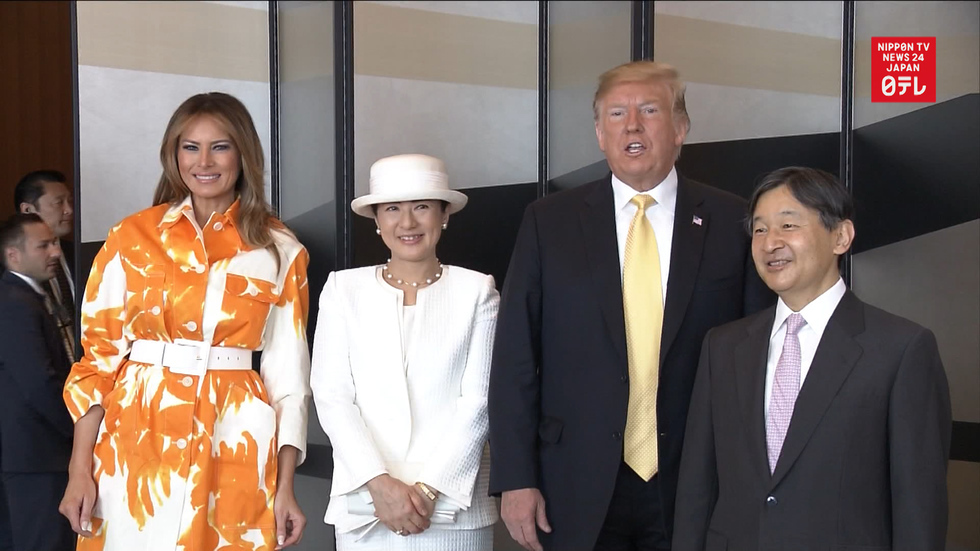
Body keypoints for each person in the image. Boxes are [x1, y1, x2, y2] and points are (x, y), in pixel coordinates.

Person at [488, 60, 774, 551]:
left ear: (681, 128)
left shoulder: (734, 221)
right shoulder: (548, 223)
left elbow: (758, 359)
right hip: (572, 481)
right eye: (617, 114)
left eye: (649, 110)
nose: (633, 126)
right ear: (600, 134)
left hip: (697, 480)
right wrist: (516, 478)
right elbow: (515, 355)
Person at [57, 92, 311, 550]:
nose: (204, 161)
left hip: (231, 438)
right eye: (190, 147)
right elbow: (97, 363)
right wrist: (79, 471)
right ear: (173, 156)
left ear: (243, 154)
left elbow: (289, 380)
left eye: (220, 147)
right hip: (135, 440)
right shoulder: (130, 237)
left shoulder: (280, 250)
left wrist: (286, 487)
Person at [672, 167, 951, 551]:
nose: (770, 243)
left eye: (788, 225)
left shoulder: (901, 350)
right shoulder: (722, 347)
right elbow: (696, 491)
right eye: (759, 229)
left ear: (841, 236)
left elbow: (918, 510)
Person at [311, 154, 500, 550]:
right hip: (365, 508)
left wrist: (428, 491)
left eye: (422, 207)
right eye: (393, 209)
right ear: (377, 220)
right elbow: (332, 396)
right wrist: (380, 485)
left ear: (444, 215)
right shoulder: (343, 290)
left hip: (455, 510)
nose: (408, 222)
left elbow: (479, 402)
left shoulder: (477, 291)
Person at [0, 213, 76, 551]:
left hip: (37, 454)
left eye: (54, 243)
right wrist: (79, 430)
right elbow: (39, 384)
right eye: (43, 246)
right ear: (13, 255)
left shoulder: (28, 297)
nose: (55, 252)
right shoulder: (15, 303)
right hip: (36, 455)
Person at [15, 169, 76, 358]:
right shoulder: (10, 264)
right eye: (59, 203)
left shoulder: (78, 253)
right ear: (28, 210)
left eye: (70, 201)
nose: (69, 210)